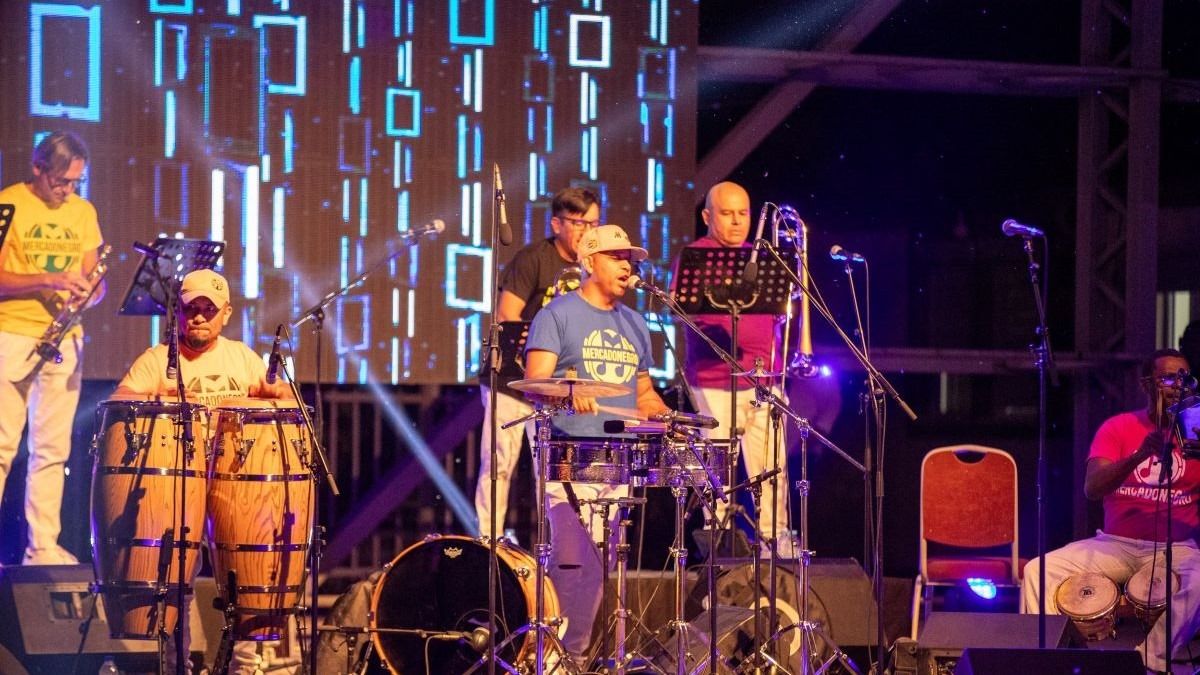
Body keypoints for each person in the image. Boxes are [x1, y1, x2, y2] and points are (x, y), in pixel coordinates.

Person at [115, 268, 292, 674]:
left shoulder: (241, 357)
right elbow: (122, 398)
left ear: (225, 313)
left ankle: (245, 665)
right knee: (176, 580)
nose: (198, 317)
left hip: (237, 481)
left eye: (208, 310)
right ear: (177, 312)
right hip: (178, 482)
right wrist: (156, 397)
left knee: (244, 575)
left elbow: (281, 395)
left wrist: (273, 394)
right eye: (190, 308)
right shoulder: (159, 359)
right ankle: (176, 665)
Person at [523, 224, 671, 666]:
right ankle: (548, 659)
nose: (627, 266)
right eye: (616, 257)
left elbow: (643, 394)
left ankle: (575, 660)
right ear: (589, 262)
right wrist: (567, 393)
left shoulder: (636, 323)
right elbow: (534, 383)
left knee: (602, 571)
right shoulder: (557, 315)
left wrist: (665, 416)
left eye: (631, 259)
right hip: (571, 457)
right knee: (571, 567)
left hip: (619, 460)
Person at [1022, 348, 1200, 674]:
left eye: (1184, 378)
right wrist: (1138, 456)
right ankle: (1046, 663)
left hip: (1178, 549)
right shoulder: (1119, 427)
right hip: (1116, 544)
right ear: (1146, 384)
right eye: (1167, 378)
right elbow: (1092, 488)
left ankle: (1146, 661)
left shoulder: (1197, 432)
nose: (1177, 385)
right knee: (1038, 571)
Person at [0, 130, 106, 565]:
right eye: (60, 181)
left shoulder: (83, 211)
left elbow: (96, 282)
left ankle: (42, 546)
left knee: (52, 449)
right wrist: (48, 279)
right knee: (2, 446)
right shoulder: (9, 203)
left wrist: (88, 294)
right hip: (12, 334)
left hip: (65, 339)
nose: (67, 191)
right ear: (38, 168)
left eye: (75, 182)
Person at [670, 180, 793, 557]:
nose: (738, 221)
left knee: (772, 469)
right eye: (727, 213)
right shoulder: (695, 257)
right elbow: (679, 308)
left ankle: (775, 545)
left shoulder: (761, 259)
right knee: (718, 473)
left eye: (743, 213)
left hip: (764, 378)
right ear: (707, 216)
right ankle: (719, 548)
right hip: (714, 380)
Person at [475, 186, 601, 540]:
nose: (587, 232)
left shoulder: (592, 268)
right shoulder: (533, 259)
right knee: (498, 464)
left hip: (554, 385)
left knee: (550, 469)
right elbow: (507, 315)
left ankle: (556, 546)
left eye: (593, 224)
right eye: (579, 223)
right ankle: (488, 541)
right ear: (557, 224)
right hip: (512, 381)